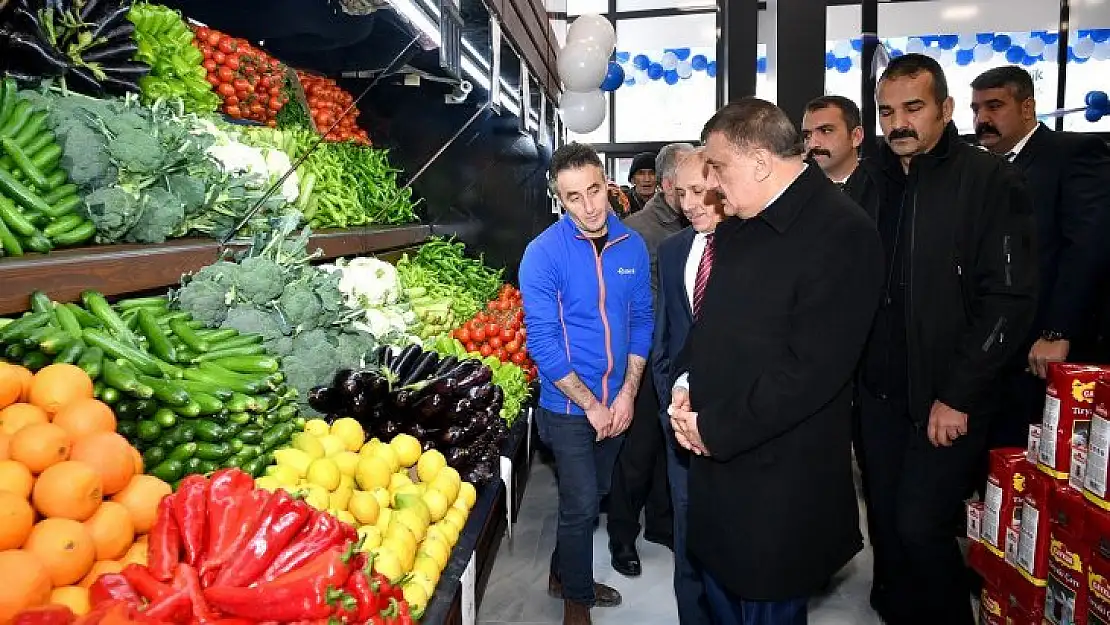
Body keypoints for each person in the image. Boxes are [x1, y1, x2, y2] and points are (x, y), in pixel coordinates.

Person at [667, 98, 884, 625]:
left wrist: (713, 428)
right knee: (718, 596)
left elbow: (810, 372)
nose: (711, 184)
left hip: (779, 479)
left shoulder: (842, 233)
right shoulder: (742, 222)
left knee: (766, 605)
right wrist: (687, 382)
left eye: (717, 168)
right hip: (717, 457)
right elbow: (711, 321)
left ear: (760, 162)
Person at [856, 53, 1037, 625]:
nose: (899, 122)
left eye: (913, 108)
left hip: (946, 397)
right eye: (888, 112)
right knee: (884, 522)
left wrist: (958, 394)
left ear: (945, 109)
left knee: (921, 526)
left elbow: (1009, 301)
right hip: (879, 395)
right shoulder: (872, 179)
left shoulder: (988, 179)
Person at [519, 142, 654, 625]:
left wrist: (626, 395)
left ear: (606, 185)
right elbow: (544, 343)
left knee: (592, 495)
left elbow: (642, 319)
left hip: (618, 400)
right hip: (568, 407)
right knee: (579, 505)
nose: (589, 206)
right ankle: (577, 600)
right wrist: (593, 406)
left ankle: (562, 572)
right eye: (573, 197)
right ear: (560, 199)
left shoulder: (631, 246)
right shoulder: (542, 254)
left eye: (594, 190)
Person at [970, 65, 1110, 446]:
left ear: (1027, 107)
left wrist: (1058, 331)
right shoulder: (978, 168)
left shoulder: (1073, 153)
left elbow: (1088, 246)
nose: (982, 118)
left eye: (994, 106)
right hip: (989, 347)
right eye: (976, 108)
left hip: (1041, 346)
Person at [606, 144, 694, 577]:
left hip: (682, 359)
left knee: (672, 450)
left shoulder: (700, 223)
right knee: (637, 454)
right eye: (688, 185)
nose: (698, 193)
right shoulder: (636, 231)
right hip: (645, 359)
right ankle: (622, 537)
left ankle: (663, 525)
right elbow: (625, 304)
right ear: (666, 184)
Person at [652, 148, 722, 625]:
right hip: (679, 424)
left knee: (731, 547)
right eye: (681, 193)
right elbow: (668, 335)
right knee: (687, 537)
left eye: (699, 191)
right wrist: (669, 395)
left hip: (734, 426)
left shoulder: (753, 247)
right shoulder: (672, 250)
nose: (690, 203)